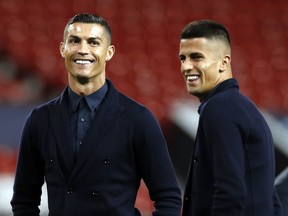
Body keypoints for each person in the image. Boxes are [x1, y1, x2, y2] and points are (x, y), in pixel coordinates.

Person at [10, 13, 182, 216]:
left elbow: (168, 197)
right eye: (74, 41)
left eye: (93, 42)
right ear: (62, 49)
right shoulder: (40, 119)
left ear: (109, 52)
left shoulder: (138, 119)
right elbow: (24, 199)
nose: (83, 50)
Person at [178, 20, 283, 216]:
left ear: (224, 62)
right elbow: (270, 198)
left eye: (196, 57)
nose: (186, 66)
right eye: (183, 58)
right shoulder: (243, 108)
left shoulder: (220, 108)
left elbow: (230, 192)